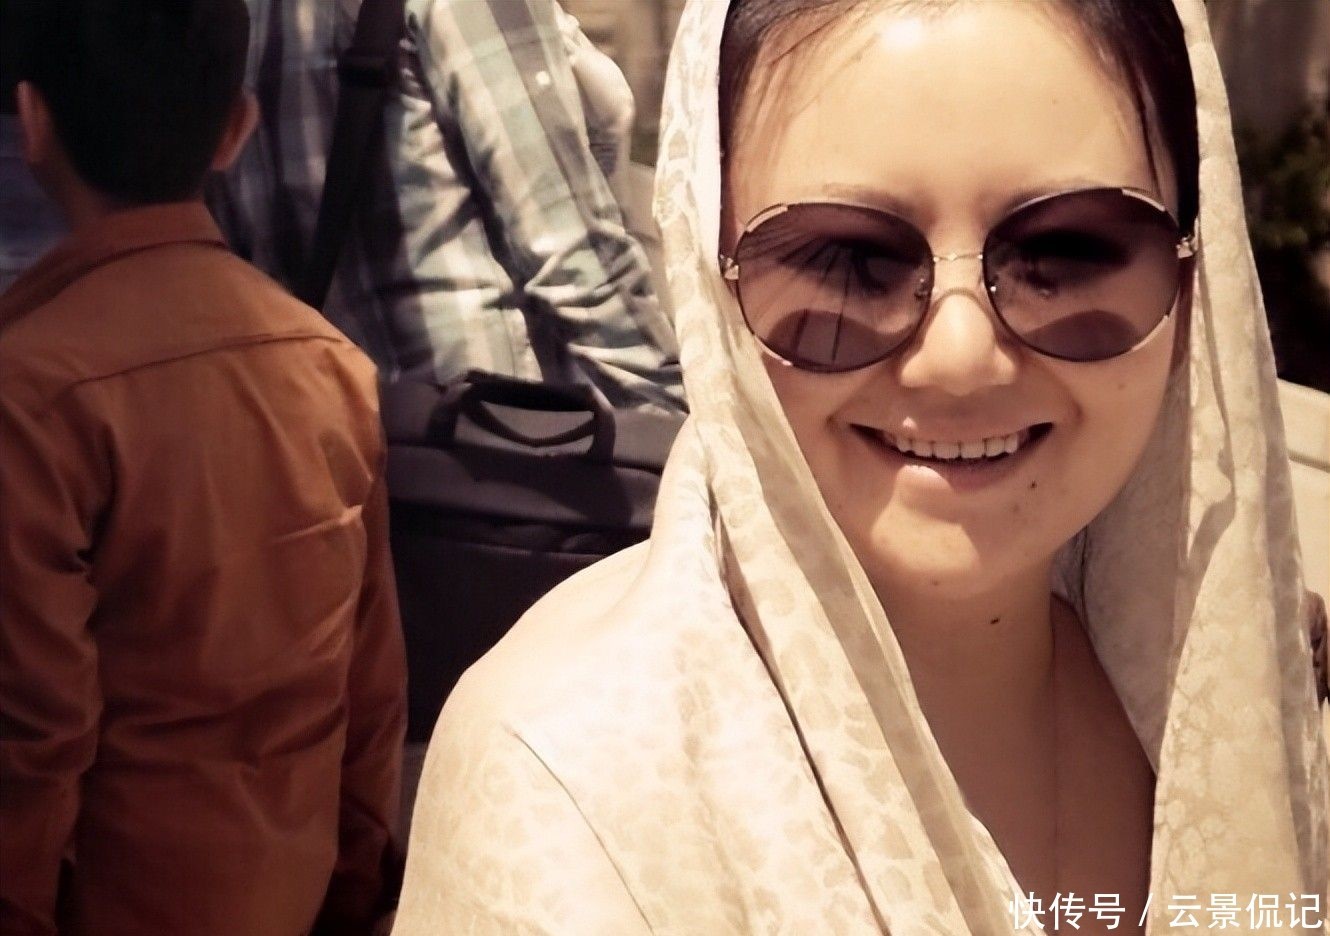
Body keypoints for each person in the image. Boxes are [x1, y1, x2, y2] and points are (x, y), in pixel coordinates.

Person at [391, 0, 1329, 932]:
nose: (960, 357)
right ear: (711, 282)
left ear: (1198, 281)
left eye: (1067, 254)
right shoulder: (560, 789)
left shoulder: (1230, 700)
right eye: (848, 262)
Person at [0, 2, 406, 933]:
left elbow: (28, 742)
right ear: (236, 128)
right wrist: (351, 896)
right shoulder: (331, 368)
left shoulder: (30, 390)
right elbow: (370, 696)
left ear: (32, 120)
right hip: (290, 902)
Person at [208, 0, 686, 413]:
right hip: (494, 444)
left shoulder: (224, 17)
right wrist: (673, 417)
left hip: (335, 442)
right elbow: (573, 253)